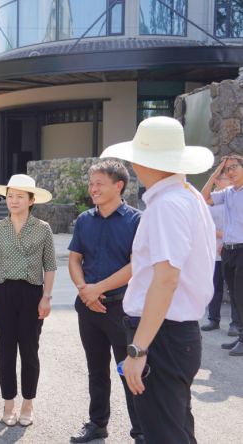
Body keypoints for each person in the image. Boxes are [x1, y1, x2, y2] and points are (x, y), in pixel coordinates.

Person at [101, 116, 214, 444]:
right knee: (176, 429)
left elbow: (165, 280)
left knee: (164, 433)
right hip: (172, 333)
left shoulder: (167, 204)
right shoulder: (188, 195)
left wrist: (138, 350)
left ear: (145, 161)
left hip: (161, 334)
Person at [67, 161, 144, 444]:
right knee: (96, 369)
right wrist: (85, 291)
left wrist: (97, 289)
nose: (93, 189)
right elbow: (75, 259)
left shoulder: (137, 220)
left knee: (129, 371)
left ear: (118, 185)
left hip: (122, 309)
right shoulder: (84, 220)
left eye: (99, 183)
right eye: (91, 184)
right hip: (89, 307)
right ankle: (98, 423)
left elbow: (135, 265)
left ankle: (141, 431)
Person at [0, 174, 56, 428]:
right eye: (10, 196)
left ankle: (27, 403)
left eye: (20, 196)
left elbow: (50, 266)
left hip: (32, 293)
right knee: (5, 351)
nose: (13, 200)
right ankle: (8, 403)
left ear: (31, 200)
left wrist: (46, 297)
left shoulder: (43, 228)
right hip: (4, 293)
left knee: (29, 350)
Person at [203, 155, 243, 356]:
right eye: (227, 169)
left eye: (234, 167)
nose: (230, 172)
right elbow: (204, 198)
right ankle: (241, 335)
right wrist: (216, 172)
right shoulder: (228, 192)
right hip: (228, 250)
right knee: (235, 295)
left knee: (241, 294)